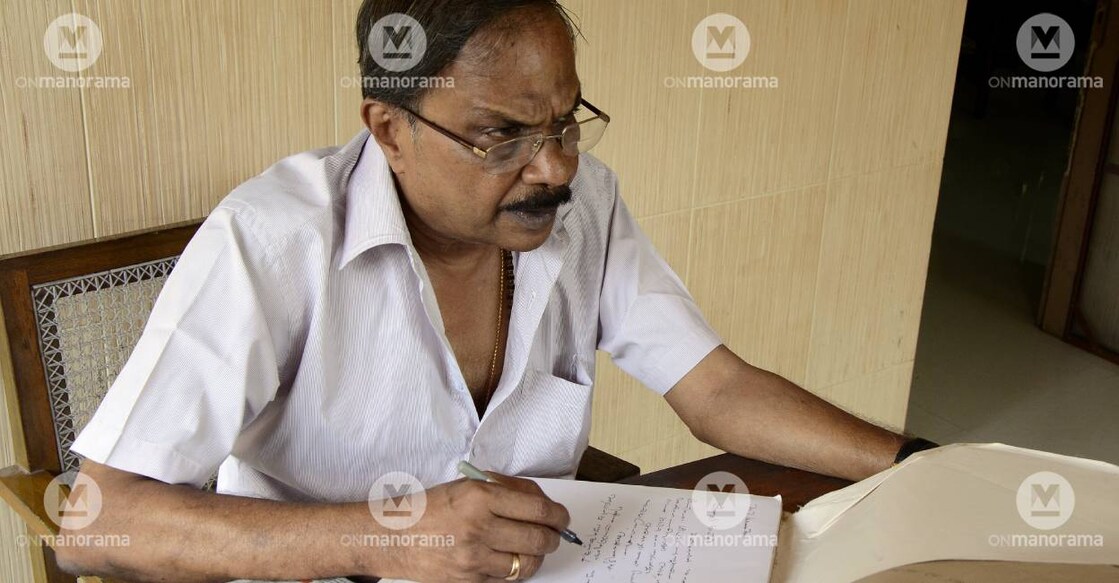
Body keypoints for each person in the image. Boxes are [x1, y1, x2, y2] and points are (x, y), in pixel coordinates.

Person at [56, 1, 933, 581]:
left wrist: (924, 466)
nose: (554, 168)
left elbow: (716, 387)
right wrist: (395, 538)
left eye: (565, 123)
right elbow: (97, 522)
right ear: (389, 129)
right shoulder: (274, 239)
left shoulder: (586, 206)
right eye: (499, 136)